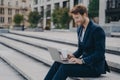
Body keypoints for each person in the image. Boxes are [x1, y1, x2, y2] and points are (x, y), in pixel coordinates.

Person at [44, 4, 110, 80]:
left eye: (77, 18)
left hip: (94, 67)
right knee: (58, 62)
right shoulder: (80, 29)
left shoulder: (97, 30)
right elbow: (80, 50)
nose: (75, 21)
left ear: (84, 14)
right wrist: (72, 56)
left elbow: (100, 53)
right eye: (74, 18)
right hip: (85, 63)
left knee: (65, 68)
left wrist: (82, 61)